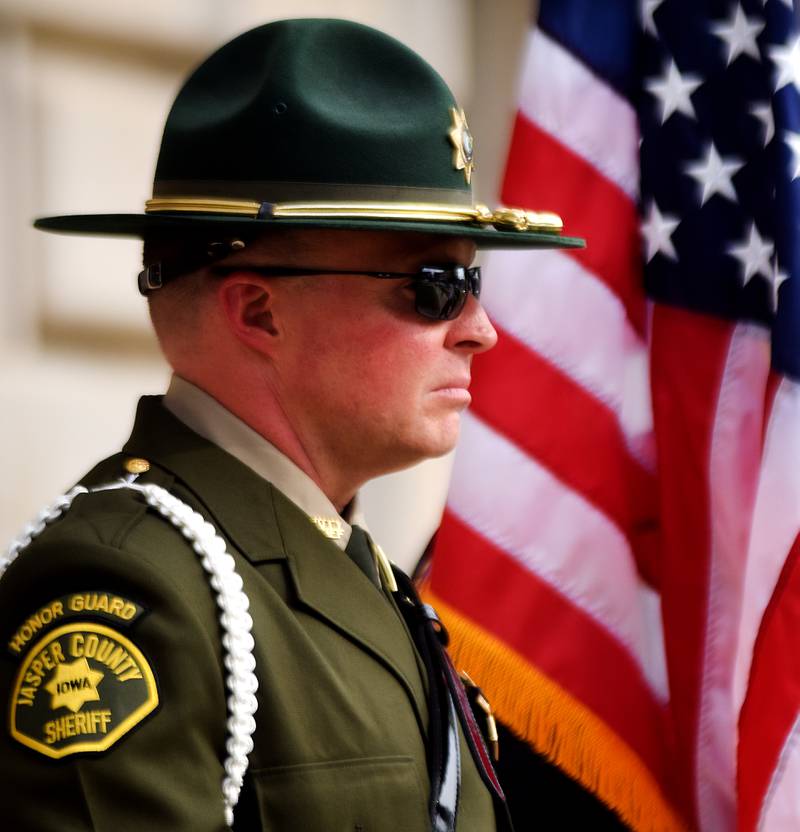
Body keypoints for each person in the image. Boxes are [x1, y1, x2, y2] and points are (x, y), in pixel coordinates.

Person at [0, 18, 583, 832]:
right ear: (259, 311)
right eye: (433, 286)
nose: (480, 328)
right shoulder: (125, 586)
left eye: (471, 279)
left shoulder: (354, 569)